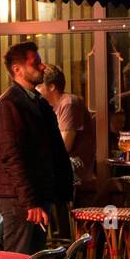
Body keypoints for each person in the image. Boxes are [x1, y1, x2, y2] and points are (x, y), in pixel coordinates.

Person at [0, 41, 73, 254]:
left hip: (38, 195)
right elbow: (11, 156)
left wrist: (62, 191)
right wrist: (30, 202)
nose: (42, 66)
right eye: (35, 62)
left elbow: (54, 149)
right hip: (21, 200)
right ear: (17, 70)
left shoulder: (38, 101)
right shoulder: (9, 104)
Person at [37, 65, 97, 210]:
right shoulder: (49, 108)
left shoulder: (68, 103)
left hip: (76, 170)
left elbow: (64, 146)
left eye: (38, 86)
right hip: (62, 168)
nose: (35, 90)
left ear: (51, 87)